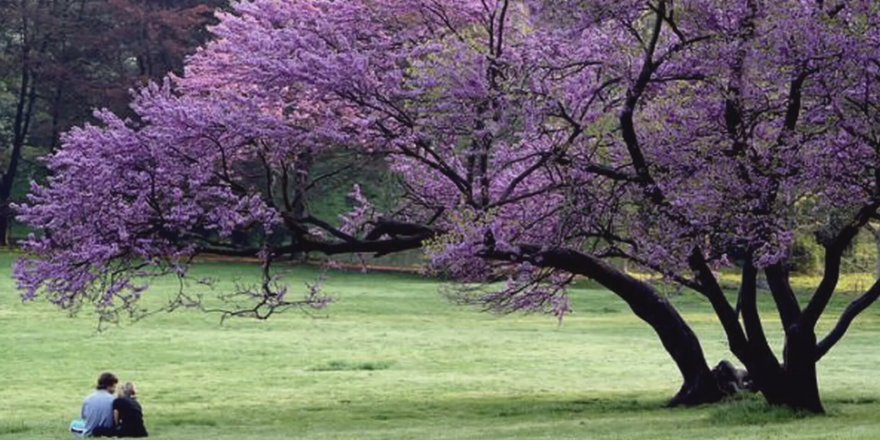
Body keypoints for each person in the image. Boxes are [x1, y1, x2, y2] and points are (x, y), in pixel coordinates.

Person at [81, 372, 118, 437]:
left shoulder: (88, 398)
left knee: (75, 424)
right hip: (107, 432)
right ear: (110, 386)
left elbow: (84, 417)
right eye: (115, 386)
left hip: (88, 433)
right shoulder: (114, 400)